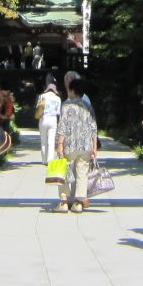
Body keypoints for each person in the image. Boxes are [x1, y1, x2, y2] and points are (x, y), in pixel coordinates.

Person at [55, 74, 99, 213]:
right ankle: (78, 203)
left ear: (73, 90)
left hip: (70, 145)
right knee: (82, 173)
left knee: (63, 170)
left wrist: (59, 144)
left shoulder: (67, 105)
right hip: (85, 145)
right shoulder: (87, 105)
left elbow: (62, 126)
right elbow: (93, 126)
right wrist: (94, 146)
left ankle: (63, 201)